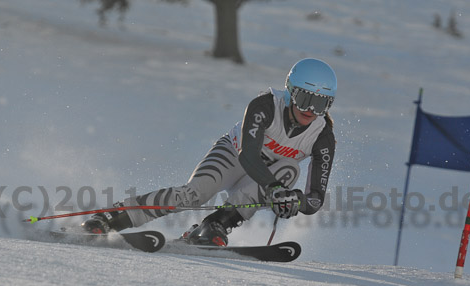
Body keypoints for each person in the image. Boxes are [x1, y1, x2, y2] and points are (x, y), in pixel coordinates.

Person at [82, 58, 337, 246]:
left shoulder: (322, 136)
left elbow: (314, 199)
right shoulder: (265, 106)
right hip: (234, 156)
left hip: (266, 176)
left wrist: (293, 200)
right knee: (195, 194)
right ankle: (112, 217)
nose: (311, 111)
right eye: (305, 100)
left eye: (320, 104)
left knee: (289, 169)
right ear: (291, 92)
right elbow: (248, 155)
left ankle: (214, 225)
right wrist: (275, 189)